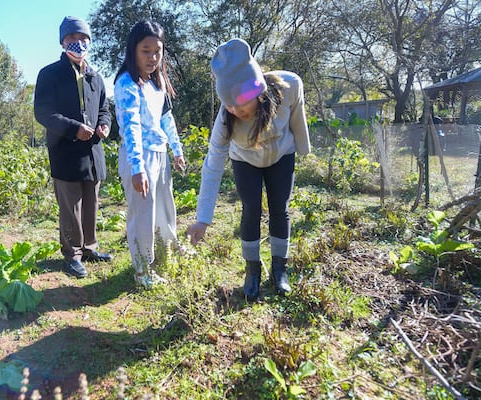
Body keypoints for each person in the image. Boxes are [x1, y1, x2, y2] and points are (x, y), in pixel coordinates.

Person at [187, 38, 311, 301]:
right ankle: (252, 269)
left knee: (280, 208)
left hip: (281, 155)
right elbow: (212, 165)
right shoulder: (226, 119)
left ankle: (280, 269)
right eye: (228, 104)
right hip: (245, 161)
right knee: (251, 209)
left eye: (240, 102)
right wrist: (203, 218)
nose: (235, 110)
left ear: (258, 90)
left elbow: (298, 116)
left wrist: (303, 149)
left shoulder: (290, 86)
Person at [34, 16, 112, 279]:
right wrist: (73, 128)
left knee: (91, 203)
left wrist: (104, 125)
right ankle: (72, 254)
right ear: (62, 42)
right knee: (71, 207)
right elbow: (43, 112)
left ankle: (90, 249)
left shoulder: (96, 77)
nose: (78, 44)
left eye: (82, 40)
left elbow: (104, 109)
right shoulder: (50, 74)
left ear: (89, 42)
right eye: (72, 40)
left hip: (93, 152)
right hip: (65, 152)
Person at [113, 20, 186, 288]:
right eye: (146, 51)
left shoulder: (157, 82)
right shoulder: (126, 83)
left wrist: (176, 150)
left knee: (165, 208)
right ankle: (143, 270)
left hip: (159, 154)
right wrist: (137, 167)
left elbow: (167, 119)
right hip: (138, 157)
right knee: (142, 215)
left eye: (157, 51)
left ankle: (171, 248)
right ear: (133, 50)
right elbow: (130, 126)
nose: (153, 57)